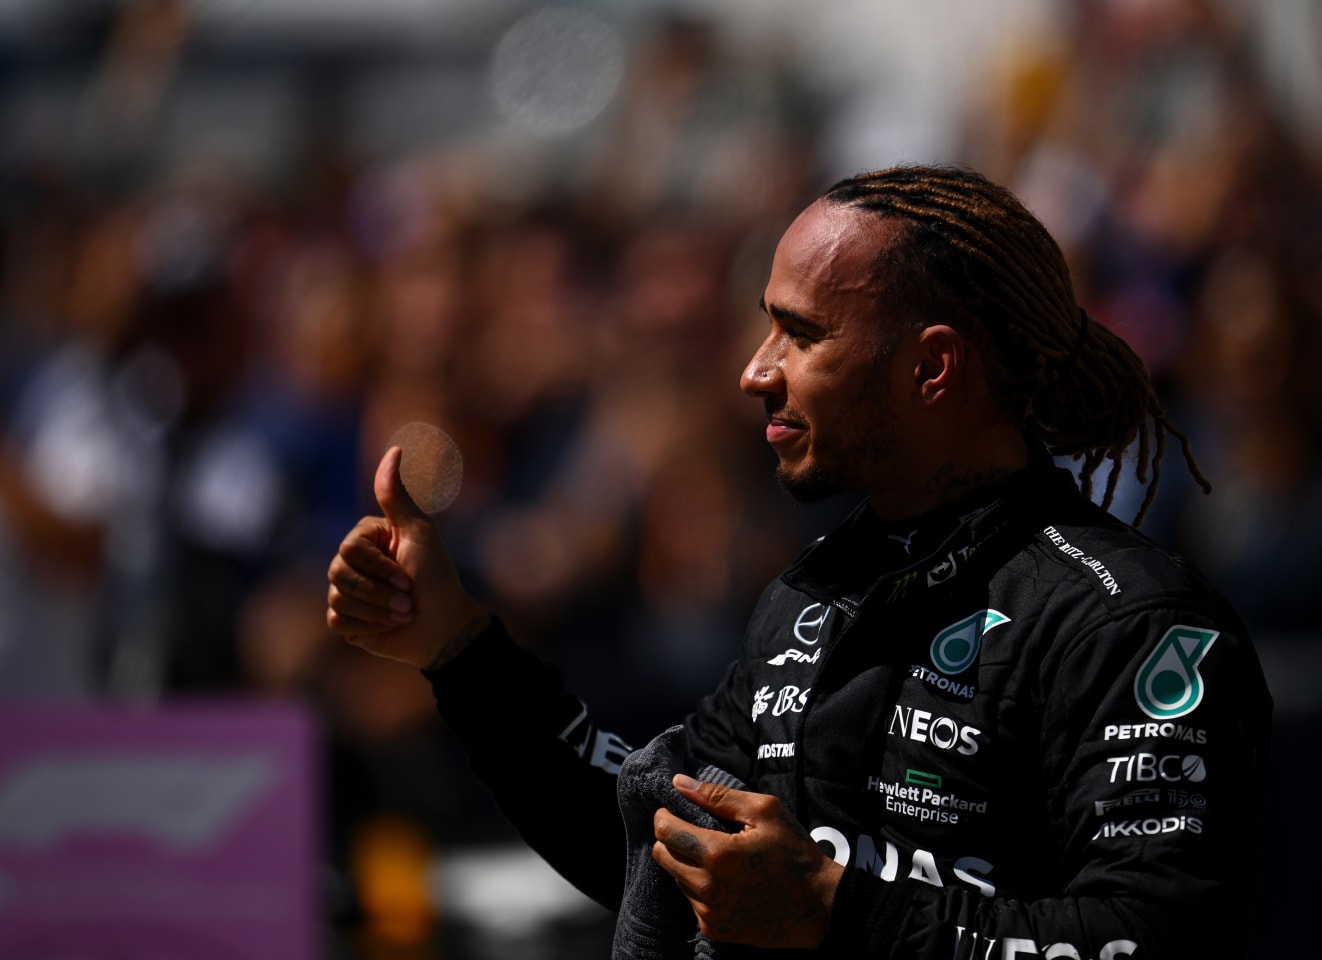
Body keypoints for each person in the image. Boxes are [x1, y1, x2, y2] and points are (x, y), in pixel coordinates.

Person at [326, 165, 1271, 958]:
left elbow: (1158, 936)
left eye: (803, 334)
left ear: (931, 369)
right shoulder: (812, 597)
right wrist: (457, 649)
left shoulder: (1126, 621)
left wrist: (837, 911)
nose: (755, 369)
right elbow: (650, 844)